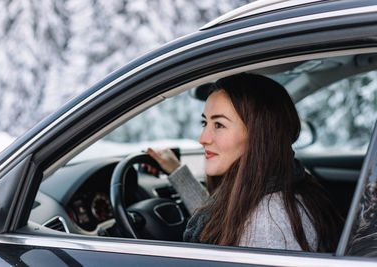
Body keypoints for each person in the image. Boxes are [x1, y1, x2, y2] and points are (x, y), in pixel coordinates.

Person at [147, 73, 343, 252]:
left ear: (259, 135)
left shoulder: (267, 223)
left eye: (219, 125)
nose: (203, 138)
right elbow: (222, 219)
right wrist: (178, 173)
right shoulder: (284, 183)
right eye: (204, 123)